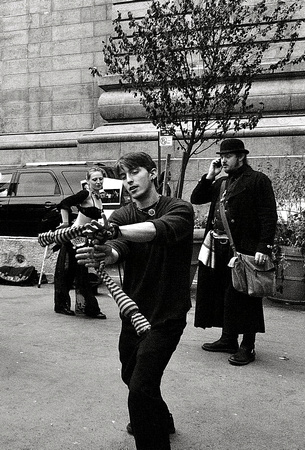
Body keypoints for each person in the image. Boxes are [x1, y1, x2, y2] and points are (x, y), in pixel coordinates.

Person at [76, 152, 194, 450]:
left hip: (167, 315)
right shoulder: (122, 215)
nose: (129, 180)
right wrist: (106, 252)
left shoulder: (179, 208)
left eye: (135, 172)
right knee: (130, 374)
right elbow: (119, 248)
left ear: (152, 173)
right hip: (134, 313)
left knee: (140, 389)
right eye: (124, 175)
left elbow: (160, 231)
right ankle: (161, 417)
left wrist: (114, 232)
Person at [191, 138, 277, 366]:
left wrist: (263, 248)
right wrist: (210, 175)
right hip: (218, 249)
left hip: (244, 250)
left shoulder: (258, 180)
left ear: (241, 157)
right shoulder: (221, 183)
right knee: (223, 293)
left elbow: (269, 216)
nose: (223, 160)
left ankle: (248, 345)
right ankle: (228, 338)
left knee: (246, 296)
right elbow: (196, 198)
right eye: (221, 156)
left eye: (227, 156)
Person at [53, 166, 107, 319]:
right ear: (88, 181)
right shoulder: (85, 194)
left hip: (84, 238)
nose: (98, 182)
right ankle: (86, 308)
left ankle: (79, 306)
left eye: (100, 179)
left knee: (77, 272)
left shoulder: (98, 197)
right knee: (76, 272)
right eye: (94, 179)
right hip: (75, 237)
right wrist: (64, 223)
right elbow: (64, 203)